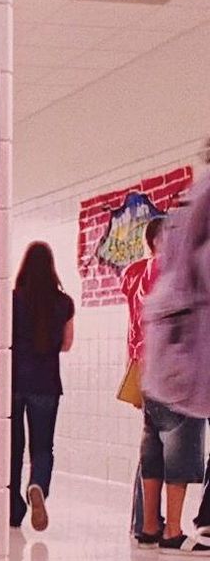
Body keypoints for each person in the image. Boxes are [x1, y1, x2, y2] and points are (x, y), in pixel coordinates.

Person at [135, 208, 209, 555]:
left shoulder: (146, 272)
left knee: (153, 453)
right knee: (178, 458)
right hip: (183, 379)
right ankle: (173, 530)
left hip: (151, 374)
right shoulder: (189, 273)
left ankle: (150, 526)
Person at [10, 242, 74, 532]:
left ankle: (13, 510)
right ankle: (37, 486)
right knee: (43, 446)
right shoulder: (64, 303)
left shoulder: (13, 299)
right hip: (47, 383)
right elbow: (67, 344)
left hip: (14, 381)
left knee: (13, 447)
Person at [120, 217, 164, 542]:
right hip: (165, 365)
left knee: (150, 441)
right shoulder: (160, 273)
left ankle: (143, 520)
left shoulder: (134, 274)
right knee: (160, 443)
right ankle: (150, 522)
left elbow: (133, 328)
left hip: (142, 364)